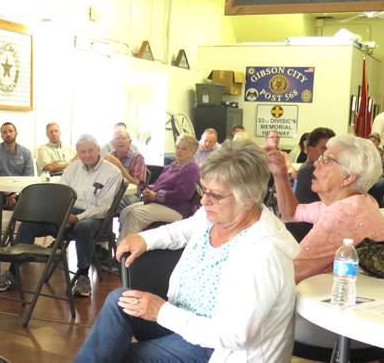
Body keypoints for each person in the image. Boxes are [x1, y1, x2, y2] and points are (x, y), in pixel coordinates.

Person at [76, 140, 299, 362]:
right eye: (204, 190)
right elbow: (184, 229)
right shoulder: (217, 216)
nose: (204, 200)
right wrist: (145, 239)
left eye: (215, 195)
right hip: (181, 321)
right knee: (120, 301)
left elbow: (235, 335)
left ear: (249, 199)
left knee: (121, 358)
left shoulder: (265, 253)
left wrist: (161, 312)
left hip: (217, 347)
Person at [267, 134, 384, 348]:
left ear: (348, 177)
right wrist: (279, 174)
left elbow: (291, 270)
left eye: (327, 159)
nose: (316, 162)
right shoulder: (357, 201)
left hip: (342, 324)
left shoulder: (345, 212)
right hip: (360, 317)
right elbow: (291, 212)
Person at [0, 135, 122, 297]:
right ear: (78, 153)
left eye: (91, 151)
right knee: (29, 223)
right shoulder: (72, 168)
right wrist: (62, 216)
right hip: (67, 213)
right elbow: (61, 195)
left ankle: (83, 276)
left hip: (95, 218)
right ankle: (13, 273)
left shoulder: (112, 172)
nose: (87, 155)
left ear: (98, 150)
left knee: (83, 227)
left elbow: (104, 207)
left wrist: (76, 218)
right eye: (83, 152)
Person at [118, 135, 199, 241]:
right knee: (125, 212)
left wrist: (155, 196)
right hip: (161, 204)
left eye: (184, 149)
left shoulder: (192, 169)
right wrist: (149, 190)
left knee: (135, 215)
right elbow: (159, 183)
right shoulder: (172, 166)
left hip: (177, 209)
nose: (179, 151)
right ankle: (131, 244)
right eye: (177, 147)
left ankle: (125, 252)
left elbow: (182, 195)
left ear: (192, 152)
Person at [102, 129, 147, 209]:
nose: (120, 141)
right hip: (110, 193)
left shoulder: (137, 157)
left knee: (105, 203)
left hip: (130, 196)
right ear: (112, 143)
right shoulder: (109, 157)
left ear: (129, 142)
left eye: (123, 138)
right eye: (117, 138)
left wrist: (118, 166)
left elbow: (136, 185)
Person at [293, 127, 335, 204]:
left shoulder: (307, 168)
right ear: (309, 150)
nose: (329, 153)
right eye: (324, 148)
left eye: (332, 148)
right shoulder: (311, 170)